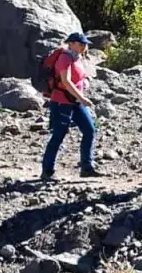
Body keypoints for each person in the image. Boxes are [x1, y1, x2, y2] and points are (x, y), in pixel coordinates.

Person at [41, 32, 103, 181]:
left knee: (89, 129)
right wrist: (82, 98)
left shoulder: (77, 58)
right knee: (58, 135)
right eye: (81, 44)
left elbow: (79, 77)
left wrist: (83, 88)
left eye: (85, 44)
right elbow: (66, 81)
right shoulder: (65, 58)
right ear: (71, 43)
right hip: (61, 101)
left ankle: (87, 167)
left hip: (74, 101)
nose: (84, 46)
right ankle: (47, 171)